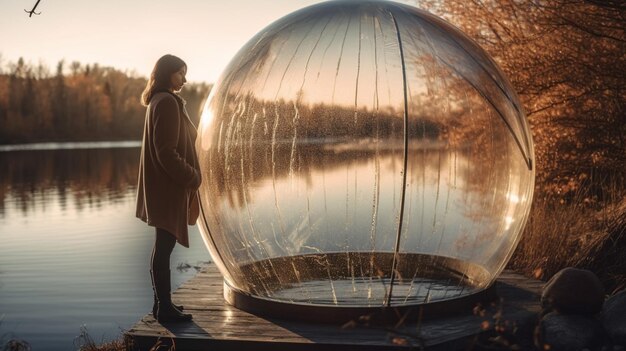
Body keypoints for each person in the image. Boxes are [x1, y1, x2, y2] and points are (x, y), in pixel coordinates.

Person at [136, 54, 201, 323]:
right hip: (168, 188)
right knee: (164, 246)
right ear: (166, 74)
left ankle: (162, 306)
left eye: (185, 74)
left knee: (162, 246)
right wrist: (193, 177)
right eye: (180, 73)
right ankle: (164, 307)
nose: (184, 79)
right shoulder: (166, 103)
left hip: (163, 187)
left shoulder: (159, 101)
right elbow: (166, 152)